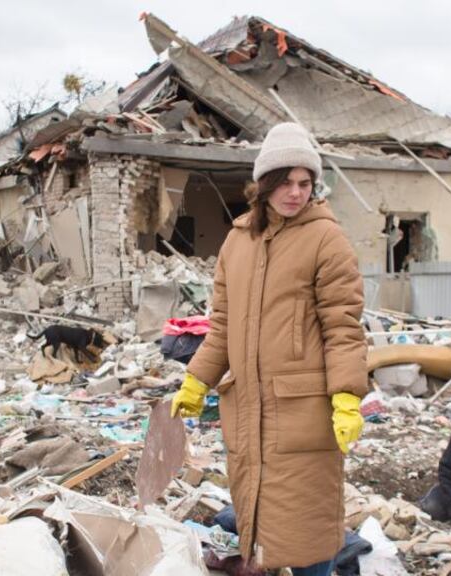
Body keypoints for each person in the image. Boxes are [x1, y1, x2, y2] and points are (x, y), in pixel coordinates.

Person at [170, 122, 368, 575]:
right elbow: (220, 327)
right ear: (263, 184)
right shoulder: (237, 242)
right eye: (285, 182)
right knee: (258, 531)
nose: (295, 193)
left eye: (305, 183)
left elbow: (343, 327)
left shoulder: (326, 239)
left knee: (309, 541)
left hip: (304, 416)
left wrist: (346, 396)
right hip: (249, 415)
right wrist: (196, 380)